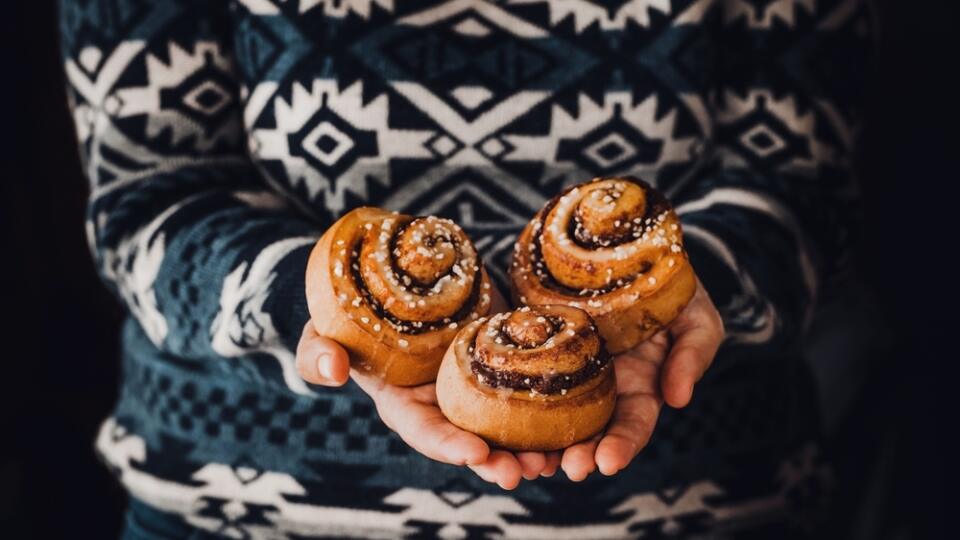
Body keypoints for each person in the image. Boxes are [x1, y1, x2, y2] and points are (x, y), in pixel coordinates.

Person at [59, 0, 871, 537]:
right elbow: (145, 194)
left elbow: (803, 181)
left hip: (702, 507)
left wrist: (689, 289)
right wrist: (308, 303)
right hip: (239, 508)